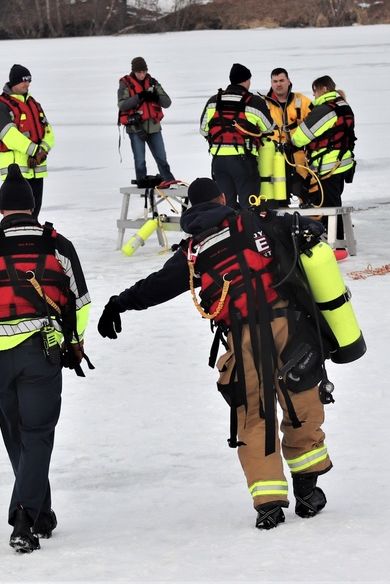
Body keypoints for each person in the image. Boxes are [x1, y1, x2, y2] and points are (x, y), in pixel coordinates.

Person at [97, 178, 333, 530]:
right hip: (289, 327)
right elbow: (309, 228)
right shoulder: (260, 222)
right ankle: (307, 488)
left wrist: (120, 303)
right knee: (301, 402)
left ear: (192, 208)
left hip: (243, 338)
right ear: (223, 198)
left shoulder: (193, 249)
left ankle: (268, 504)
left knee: (254, 416)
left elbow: (158, 287)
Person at [0, 165, 91, 554]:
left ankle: (40, 513)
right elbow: (81, 302)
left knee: (17, 435)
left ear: (1, 207)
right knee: (37, 433)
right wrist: (75, 344)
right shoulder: (59, 245)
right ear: (32, 206)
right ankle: (25, 518)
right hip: (43, 353)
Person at [290, 75, 356, 258]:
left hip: (328, 166)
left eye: (315, 91)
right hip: (343, 163)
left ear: (324, 89)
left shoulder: (325, 109)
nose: (313, 95)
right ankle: (339, 243)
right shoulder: (344, 105)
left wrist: (292, 139)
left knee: (329, 206)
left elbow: (300, 137)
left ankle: (337, 246)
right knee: (334, 203)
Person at [199, 63, 276, 209]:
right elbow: (269, 128)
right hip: (243, 160)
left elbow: (203, 130)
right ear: (247, 81)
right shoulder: (254, 102)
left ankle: (229, 231)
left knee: (226, 205)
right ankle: (249, 231)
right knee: (250, 205)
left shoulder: (213, 101)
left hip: (219, 162)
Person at [0, 64, 55, 213]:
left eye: (29, 80)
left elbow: (48, 131)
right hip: (15, 172)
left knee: (34, 217)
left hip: (36, 169)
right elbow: (10, 136)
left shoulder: (33, 104)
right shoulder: (2, 107)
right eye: (24, 80)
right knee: (17, 217)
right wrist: (35, 151)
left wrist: (42, 150)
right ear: (14, 82)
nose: (27, 84)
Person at [118, 56, 175, 186]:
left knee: (162, 159)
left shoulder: (153, 83)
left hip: (154, 127)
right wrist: (139, 97)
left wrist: (156, 97)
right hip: (136, 128)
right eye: (139, 72)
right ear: (134, 72)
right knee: (139, 161)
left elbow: (167, 102)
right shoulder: (125, 84)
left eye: (144, 72)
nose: (142, 75)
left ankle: (170, 183)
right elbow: (122, 105)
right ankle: (142, 184)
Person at [261, 68, 312, 206]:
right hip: (272, 158)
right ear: (271, 83)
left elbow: (316, 125)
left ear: (288, 81)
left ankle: (315, 224)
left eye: (282, 80)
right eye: (275, 81)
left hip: (298, 157)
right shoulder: (263, 104)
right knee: (277, 196)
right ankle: (281, 224)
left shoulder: (302, 101)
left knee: (307, 192)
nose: (278, 84)